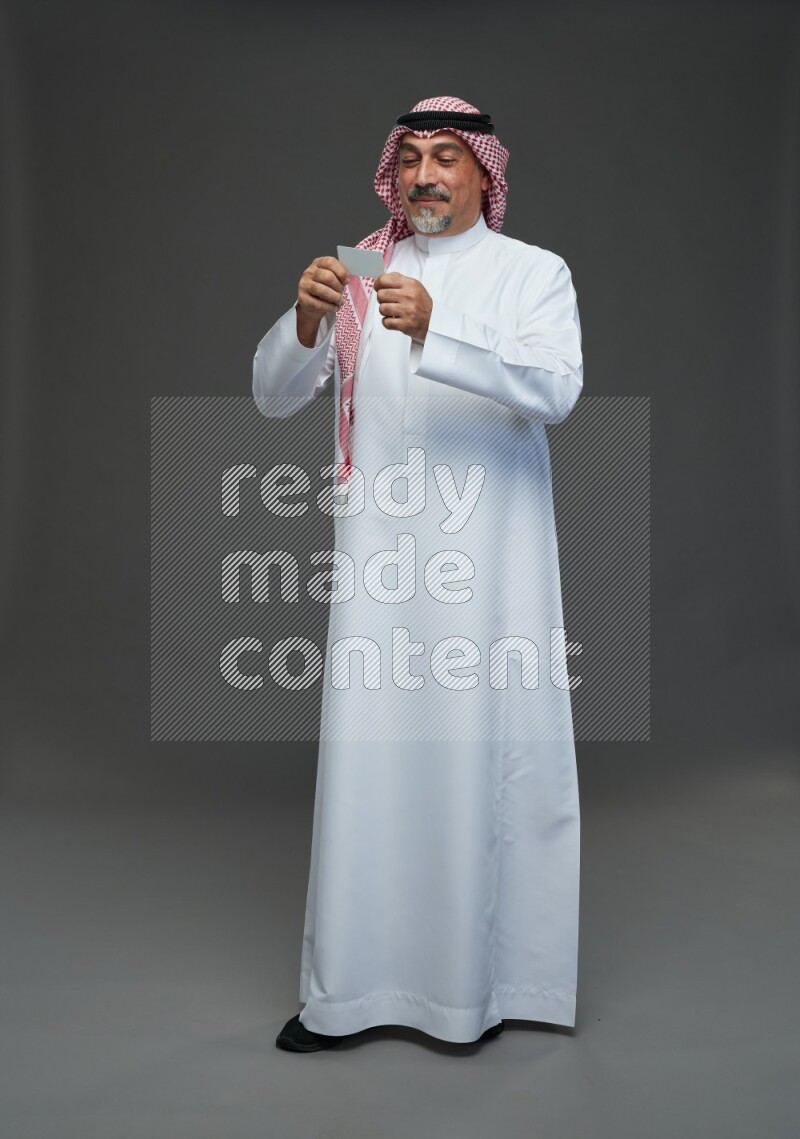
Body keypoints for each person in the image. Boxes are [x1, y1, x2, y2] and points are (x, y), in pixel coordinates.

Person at [252, 96, 584, 1052]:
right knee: (371, 765)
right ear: (391, 176)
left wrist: (442, 331)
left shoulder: (533, 273)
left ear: (486, 172)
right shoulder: (363, 268)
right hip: (378, 571)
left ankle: (486, 988)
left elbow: (556, 388)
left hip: (494, 570)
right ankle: (349, 994)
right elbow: (275, 397)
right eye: (410, 159)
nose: (426, 174)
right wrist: (307, 321)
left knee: (487, 756)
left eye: (447, 156)